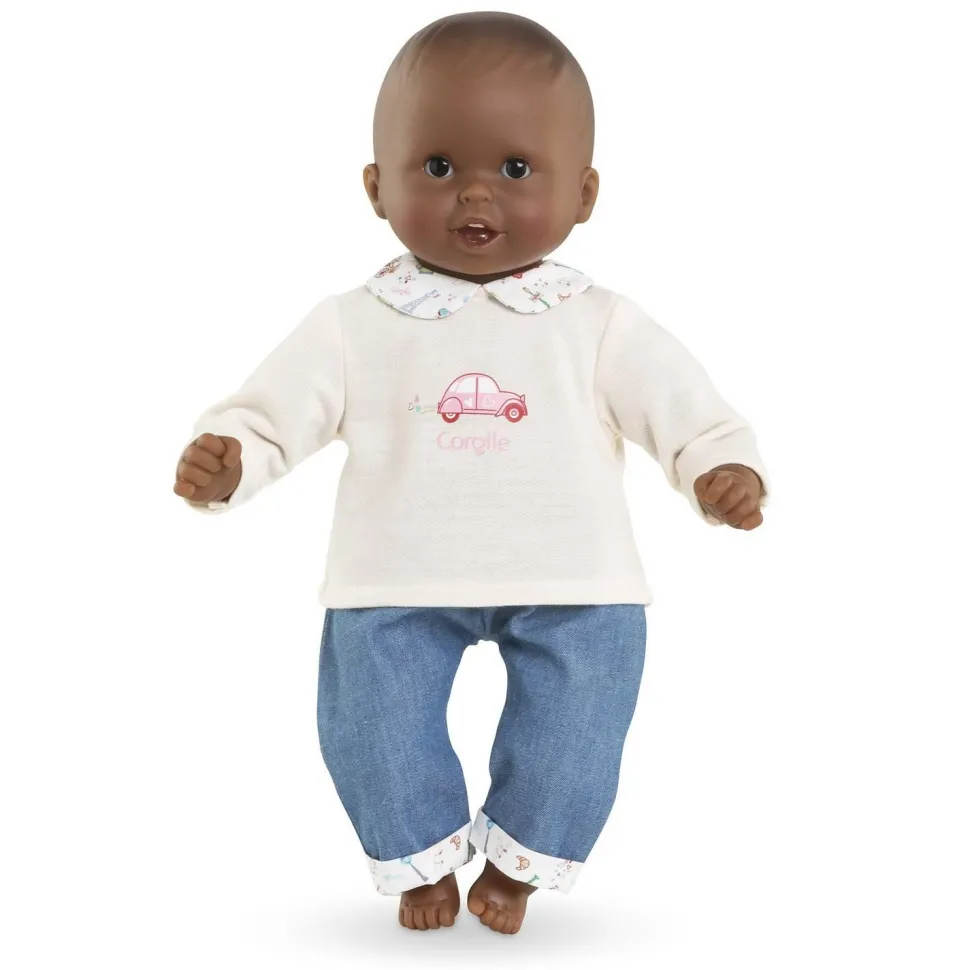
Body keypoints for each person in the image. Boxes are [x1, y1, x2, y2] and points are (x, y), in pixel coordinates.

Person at [172, 11, 769, 935]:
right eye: (439, 166)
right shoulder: (355, 322)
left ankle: (519, 865)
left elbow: (685, 408)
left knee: (579, 727)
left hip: (575, 581)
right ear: (377, 186)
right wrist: (232, 458)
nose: (476, 194)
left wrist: (718, 468)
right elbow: (273, 412)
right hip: (393, 581)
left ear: (585, 193)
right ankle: (419, 859)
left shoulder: (599, 322)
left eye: (518, 168)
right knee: (371, 724)